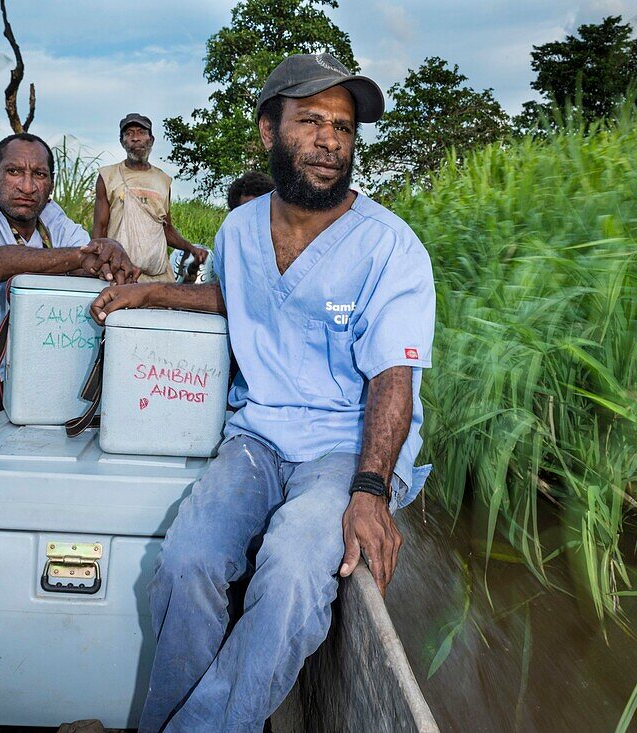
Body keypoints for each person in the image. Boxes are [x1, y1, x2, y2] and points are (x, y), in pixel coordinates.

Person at [90, 53, 435, 732]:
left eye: (342, 126)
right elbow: (229, 298)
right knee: (184, 562)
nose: (330, 139)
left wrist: (370, 488)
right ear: (267, 131)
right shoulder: (239, 230)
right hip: (255, 438)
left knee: (291, 573)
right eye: (310, 121)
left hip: (343, 448)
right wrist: (150, 290)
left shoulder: (390, 248)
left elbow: (395, 375)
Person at [0, 132, 139, 412]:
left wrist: (109, 256)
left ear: (51, 184)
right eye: (14, 172)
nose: (28, 186)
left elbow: (89, 256)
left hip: (39, 363)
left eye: (39, 174)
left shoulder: (50, 215)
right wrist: (81, 258)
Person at [93, 113, 208, 282]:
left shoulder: (163, 181)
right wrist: (102, 265)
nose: (135, 138)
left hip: (159, 277)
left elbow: (167, 230)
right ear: (122, 142)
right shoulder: (108, 176)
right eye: (129, 134)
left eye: (141, 132)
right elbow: (99, 229)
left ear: (151, 140)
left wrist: (191, 248)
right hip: (121, 275)